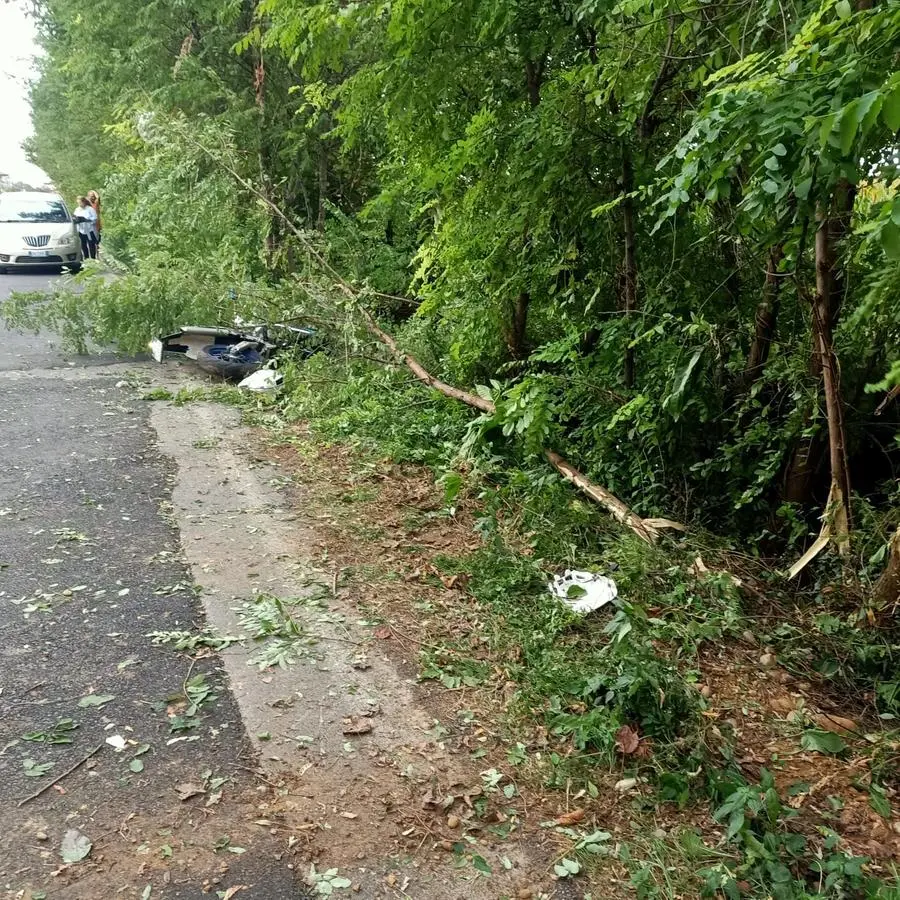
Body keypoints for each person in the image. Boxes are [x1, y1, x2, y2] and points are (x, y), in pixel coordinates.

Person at [72, 195, 98, 260]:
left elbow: (95, 218)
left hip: (89, 230)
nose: (80, 204)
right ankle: (86, 258)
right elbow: (74, 217)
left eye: (80, 203)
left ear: (84, 202)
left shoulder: (90, 209)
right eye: (78, 203)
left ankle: (93, 258)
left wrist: (87, 220)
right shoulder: (77, 209)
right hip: (81, 230)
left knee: (91, 245)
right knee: (83, 245)